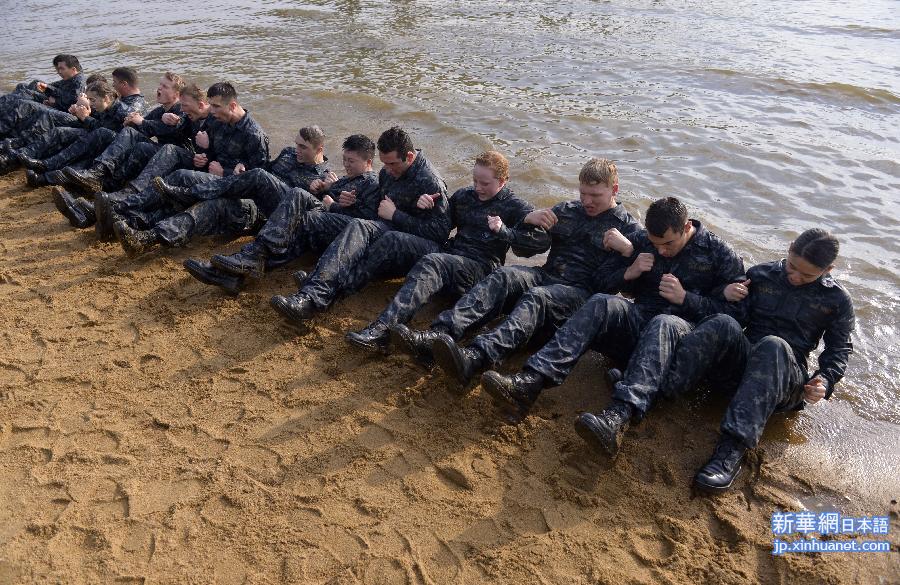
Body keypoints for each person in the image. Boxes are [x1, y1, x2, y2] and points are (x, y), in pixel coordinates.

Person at [480, 197, 745, 422]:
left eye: (668, 244)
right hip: (639, 328)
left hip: (678, 345)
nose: (661, 251)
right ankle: (531, 381)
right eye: (656, 244)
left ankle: (618, 416)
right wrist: (629, 269)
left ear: (686, 227)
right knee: (601, 303)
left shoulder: (719, 254)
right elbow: (600, 281)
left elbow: (734, 321)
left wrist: (686, 298)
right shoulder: (643, 240)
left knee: (665, 322)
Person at [639, 229, 853, 492]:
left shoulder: (837, 300)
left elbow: (839, 350)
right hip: (742, 365)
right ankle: (662, 389)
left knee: (773, 344)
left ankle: (730, 452)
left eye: (807, 275)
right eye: (792, 267)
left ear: (828, 269)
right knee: (723, 323)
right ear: (789, 248)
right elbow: (731, 316)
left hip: (784, 378)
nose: (795, 277)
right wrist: (725, 293)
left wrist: (825, 380)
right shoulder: (761, 275)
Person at [402, 158, 639, 385]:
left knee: (538, 297)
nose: (587, 201)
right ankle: (439, 333)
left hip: (581, 295)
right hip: (546, 276)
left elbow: (628, 291)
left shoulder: (629, 230)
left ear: (614, 190)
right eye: (582, 193)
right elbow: (528, 250)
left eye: (594, 195)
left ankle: (477, 356)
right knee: (506, 275)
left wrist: (628, 251)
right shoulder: (567, 210)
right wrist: (527, 220)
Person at [344, 150, 539, 350]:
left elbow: (535, 245)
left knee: (434, 261)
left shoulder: (515, 206)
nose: (478, 187)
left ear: (503, 181)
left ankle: (383, 330)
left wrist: (506, 231)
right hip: (450, 256)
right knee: (395, 239)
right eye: (475, 181)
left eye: (485, 184)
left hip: (480, 270)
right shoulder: (464, 196)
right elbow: (440, 228)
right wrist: (425, 206)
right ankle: (344, 285)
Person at [270, 126, 448, 323]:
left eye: (392, 164)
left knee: (384, 236)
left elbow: (439, 235)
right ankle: (316, 288)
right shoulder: (387, 173)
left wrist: (397, 215)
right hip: (391, 229)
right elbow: (377, 212)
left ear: (409, 157)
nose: (387, 170)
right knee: (358, 225)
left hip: (420, 245)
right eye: (384, 163)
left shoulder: (431, 182)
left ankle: (319, 290)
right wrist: (349, 204)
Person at [184, 134, 382, 295]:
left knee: (296, 202)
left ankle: (250, 257)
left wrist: (334, 206)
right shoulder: (350, 178)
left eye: (352, 161)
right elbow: (329, 200)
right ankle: (231, 275)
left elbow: (367, 224)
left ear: (369, 162)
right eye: (345, 159)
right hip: (323, 219)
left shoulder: (371, 183)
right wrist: (325, 188)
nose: (346, 164)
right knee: (289, 229)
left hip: (337, 232)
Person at [61, 72, 189, 193]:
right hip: (160, 150)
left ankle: (101, 176)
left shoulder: (181, 109)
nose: (159, 88)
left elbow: (172, 128)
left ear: (176, 94)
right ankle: (100, 176)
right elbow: (144, 130)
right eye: (160, 84)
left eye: (165, 86)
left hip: (175, 155)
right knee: (130, 133)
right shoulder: (159, 111)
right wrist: (131, 123)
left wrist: (141, 122)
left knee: (136, 141)